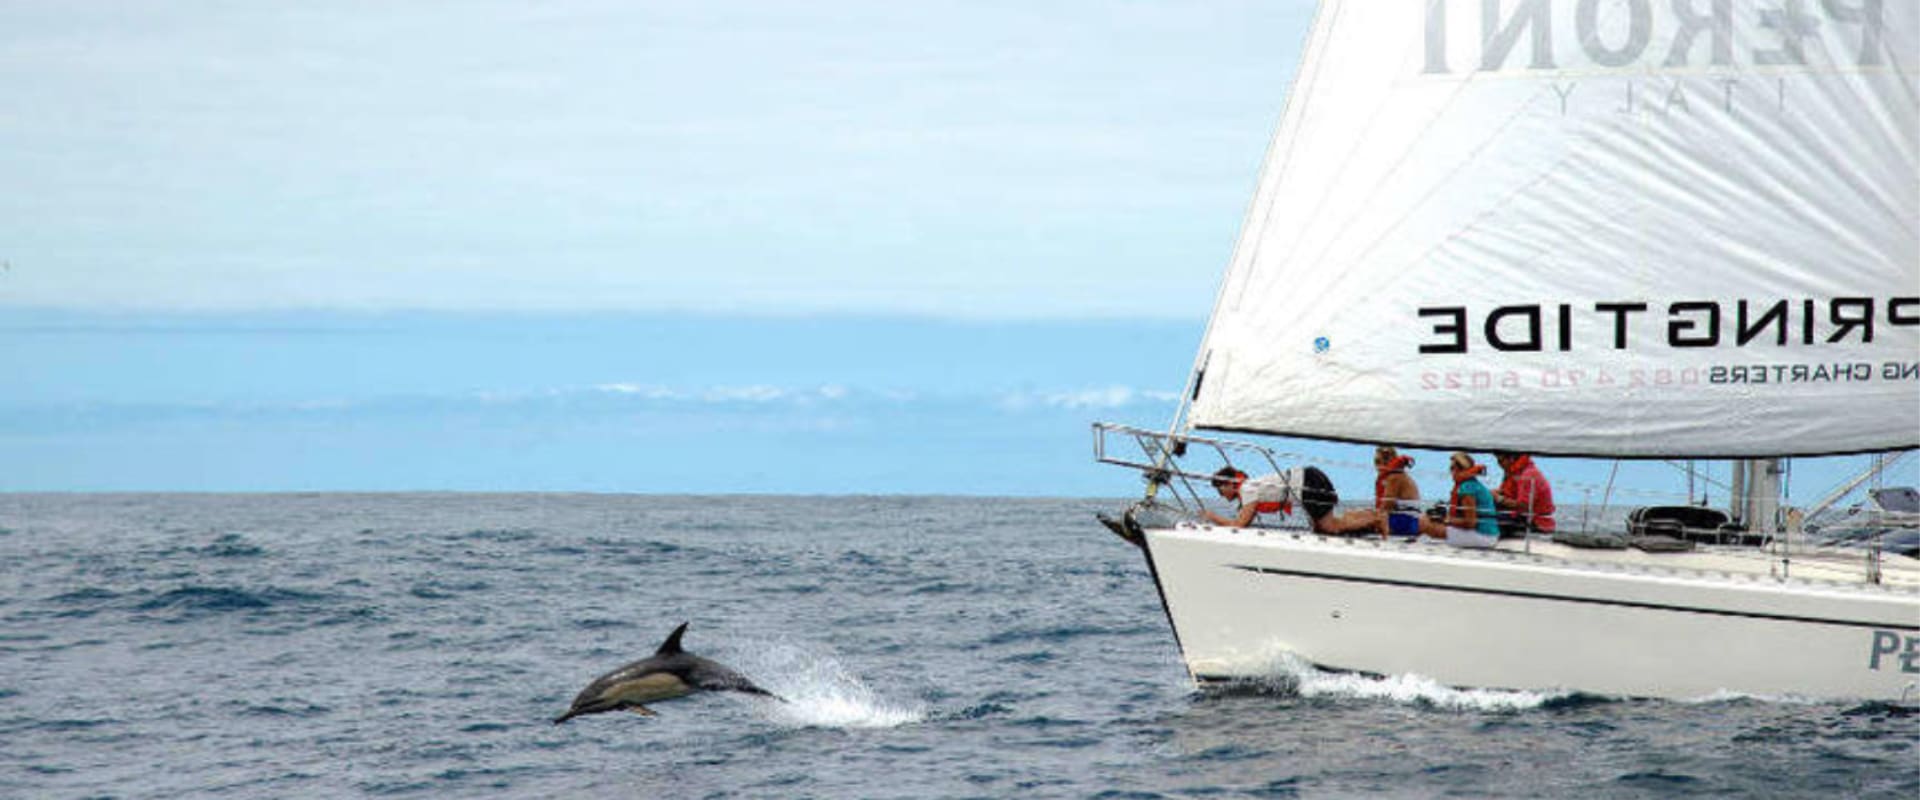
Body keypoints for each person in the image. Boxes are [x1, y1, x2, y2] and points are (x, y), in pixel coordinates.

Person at [1204, 465, 1362, 533]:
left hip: (1307, 483)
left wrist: (1213, 518)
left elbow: (1240, 524)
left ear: (1229, 484)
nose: (1222, 496)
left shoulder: (1247, 489)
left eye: (1220, 491)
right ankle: (1364, 518)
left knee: (1330, 527)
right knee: (1322, 529)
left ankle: (1375, 518)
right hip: (1308, 478)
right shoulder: (1248, 487)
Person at [1419, 451, 1500, 548]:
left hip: (1483, 537)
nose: (1450, 471)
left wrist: (1445, 520)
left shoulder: (1467, 488)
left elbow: (1470, 523)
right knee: (1428, 520)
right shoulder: (1473, 484)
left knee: (1424, 523)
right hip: (1489, 535)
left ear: (1459, 469)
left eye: (1452, 468)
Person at [1492, 450, 1557, 537]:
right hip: (1523, 517)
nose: (1499, 465)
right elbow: (1509, 494)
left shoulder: (1528, 475)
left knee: (1489, 522)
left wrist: (1499, 498)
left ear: (1511, 459)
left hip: (1536, 522)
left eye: (1500, 461)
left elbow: (1523, 505)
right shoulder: (1515, 473)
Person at [1373, 446, 1423, 538]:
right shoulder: (1401, 475)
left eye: (1377, 462)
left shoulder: (1394, 477)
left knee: (1358, 518)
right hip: (1410, 522)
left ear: (1387, 462)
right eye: (1375, 462)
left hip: (1405, 523)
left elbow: (1387, 506)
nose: (1376, 466)